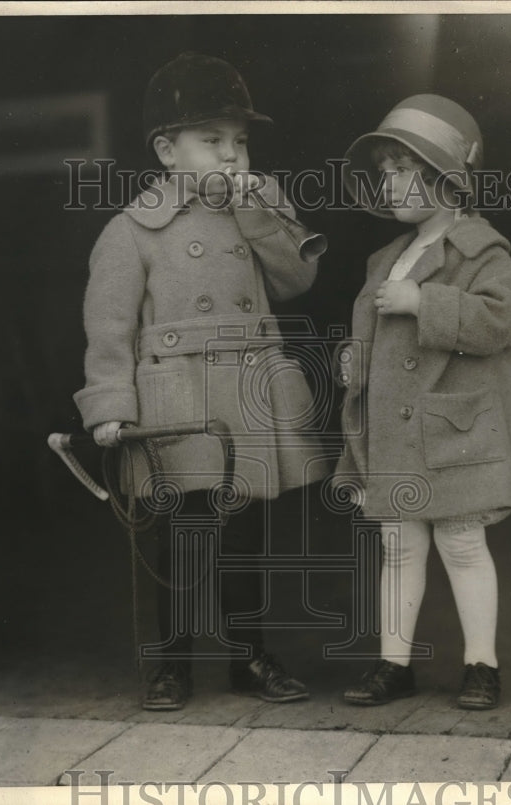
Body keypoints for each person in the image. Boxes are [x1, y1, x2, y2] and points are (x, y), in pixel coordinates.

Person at [74, 52, 327, 710]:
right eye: (212, 140)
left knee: (245, 541)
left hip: (245, 395)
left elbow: (297, 280)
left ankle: (250, 657)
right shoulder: (131, 231)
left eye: (240, 142)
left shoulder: (262, 207)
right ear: (166, 149)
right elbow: (108, 330)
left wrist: (254, 212)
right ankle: (171, 663)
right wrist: (110, 406)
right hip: (176, 404)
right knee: (179, 540)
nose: (232, 156)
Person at [334, 94, 511, 710]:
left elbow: (502, 320)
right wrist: (358, 360)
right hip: (400, 432)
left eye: (402, 168)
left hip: (453, 433)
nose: (389, 181)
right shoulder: (385, 258)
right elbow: (378, 332)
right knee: (398, 545)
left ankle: (483, 665)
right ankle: (393, 664)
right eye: (386, 170)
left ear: (445, 178)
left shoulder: (481, 250)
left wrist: (423, 303)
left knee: (461, 543)